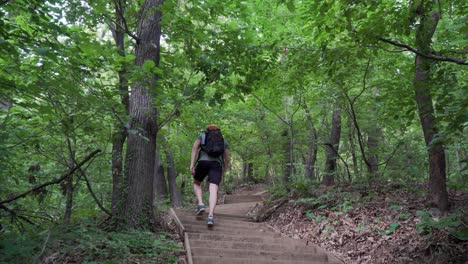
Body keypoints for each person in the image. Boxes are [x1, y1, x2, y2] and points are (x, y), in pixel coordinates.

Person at [190, 124, 230, 227]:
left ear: (207, 130)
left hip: (202, 163)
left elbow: (194, 149)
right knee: (213, 189)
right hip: (216, 165)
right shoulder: (223, 140)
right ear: (218, 131)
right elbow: (227, 157)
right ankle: (210, 216)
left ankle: (200, 203)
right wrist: (225, 168)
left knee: (196, 183)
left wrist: (192, 164)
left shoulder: (202, 136)